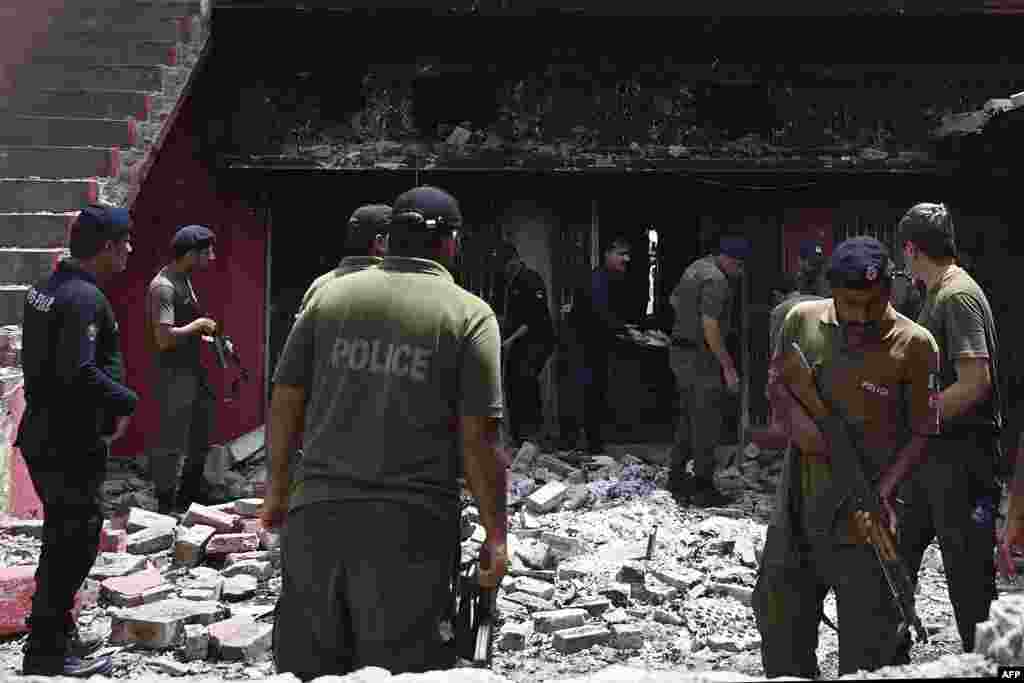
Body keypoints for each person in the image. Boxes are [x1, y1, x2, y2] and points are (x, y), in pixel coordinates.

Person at [262, 186, 507, 680]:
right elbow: (480, 439)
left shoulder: (328, 295)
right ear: (451, 242)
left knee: (311, 666)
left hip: (317, 520)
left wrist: (276, 492)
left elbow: (285, 400)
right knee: (401, 669)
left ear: (391, 236)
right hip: (411, 529)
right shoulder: (469, 314)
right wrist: (495, 534)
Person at [752, 236, 941, 678]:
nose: (857, 316)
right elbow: (778, 383)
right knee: (778, 618)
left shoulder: (916, 345)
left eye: (869, 304)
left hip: (865, 515)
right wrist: (805, 430)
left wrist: (884, 493)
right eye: (847, 302)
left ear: (889, 291)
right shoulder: (801, 319)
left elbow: (923, 433)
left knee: (868, 646)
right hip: (797, 505)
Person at [16, 205, 139, 677]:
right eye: (125, 241)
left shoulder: (45, 289)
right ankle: (46, 651)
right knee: (74, 541)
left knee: (64, 537)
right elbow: (80, 371)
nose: (130, 249)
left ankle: (54, 635)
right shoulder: (84, 299)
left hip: (45, 434)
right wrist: (127, 400)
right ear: (107, 246)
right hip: (68, 440)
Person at [894, 202, 1003, 654]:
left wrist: (921, 417)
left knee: (971, 586)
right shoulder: (936, 292)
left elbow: (976, 381)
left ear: (911, 249)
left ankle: (998, 668)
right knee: (896, 563)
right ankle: (886, 656)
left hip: (963, 460)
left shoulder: (957, 295)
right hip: (932, 459)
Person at [667, 235, 748, 506]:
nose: (741, 273)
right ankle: (702, 487)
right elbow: (710, 327)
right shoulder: (717, 280)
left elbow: (673, 300)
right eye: (740, 266)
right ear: (730, 260)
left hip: (680, 354)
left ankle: (676, 478)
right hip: (701, 358)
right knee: (706, 421)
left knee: (688, 418)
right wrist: (728, 367)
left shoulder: (696, 267)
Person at [146, 225, 219, 514]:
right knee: (171, 440)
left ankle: (190, 497)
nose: (212, 258)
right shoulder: (164, 286)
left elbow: (181, 330)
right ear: (190, 254)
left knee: (200, 436)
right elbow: (163, 338)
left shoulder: (184, 279)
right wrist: (199, 326)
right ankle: (166, 504)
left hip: (192, 371)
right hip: (173, 374)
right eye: (207, 252)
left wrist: (207, 337)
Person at [566, 235, 632, 455]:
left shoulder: (611, 279)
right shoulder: (597, 280)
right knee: (589, 395)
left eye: (627, 254)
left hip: (596, 347)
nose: (626, 259)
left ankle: (592, 444)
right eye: (621, 254)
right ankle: (584, 445)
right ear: (607, 254)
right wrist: (623, 330)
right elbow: (599, 314)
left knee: (595, 394)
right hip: (585, 347)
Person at [498, 242, 555, 446]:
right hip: (518, 342)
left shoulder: (531, 279)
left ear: (514, 260)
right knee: (513, 383)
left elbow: (534, 319)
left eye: (505, 265)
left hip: (536, 341)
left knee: (525, 381)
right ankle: (518, 437)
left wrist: (508, 342)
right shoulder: (510, 282)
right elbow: (513, 316)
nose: (503, 270)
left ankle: (532, 436)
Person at [297, 203, 391, 316]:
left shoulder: (319, 285)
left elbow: (300, 332)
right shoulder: (391, 284)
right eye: (395, 237)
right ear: (380, 242)